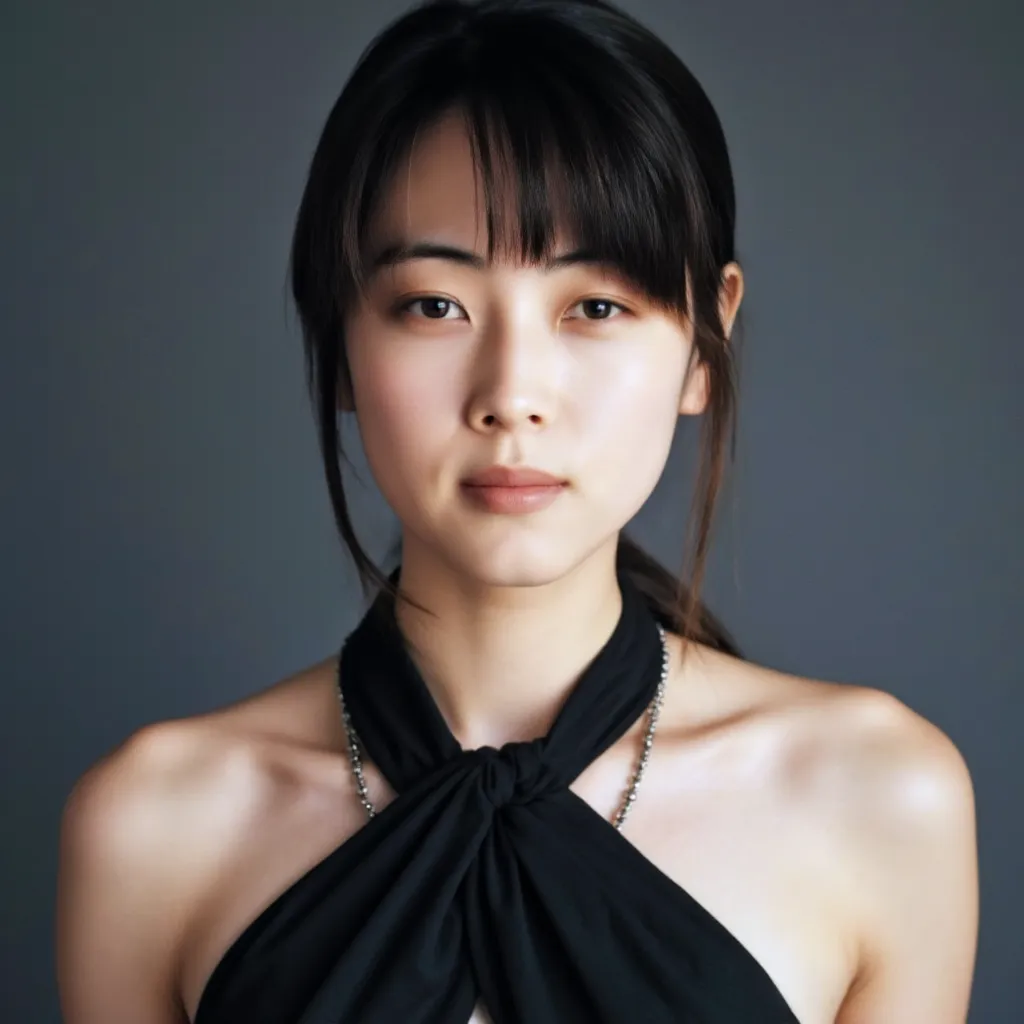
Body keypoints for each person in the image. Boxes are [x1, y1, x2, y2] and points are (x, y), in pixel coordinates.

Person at [55, 0, 979, 1021]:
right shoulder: (153, 825)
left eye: (595, 306)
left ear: (705, 341)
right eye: (433, 305)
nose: (512, 393)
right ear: (341, 339)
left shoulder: (878, 799)